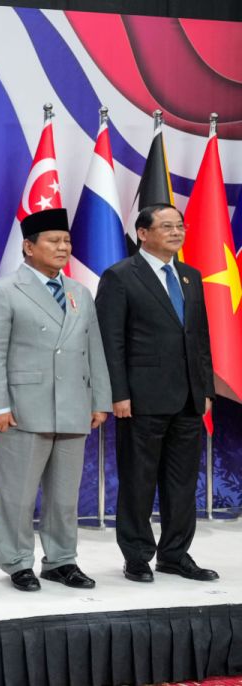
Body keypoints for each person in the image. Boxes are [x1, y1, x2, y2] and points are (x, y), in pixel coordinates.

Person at [0, 207, 110, 592]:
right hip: (22, 409)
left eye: (66, 240)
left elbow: (94, 349)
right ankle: (18, 562)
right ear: (29, 247)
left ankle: (61, 560)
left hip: (73, 405)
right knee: (17, 496)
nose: (63, 247)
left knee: (65, 497)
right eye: (53, 241)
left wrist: (100, 399)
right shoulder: (4, 290)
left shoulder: (79, 292)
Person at [96, 204, 218, 583]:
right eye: (167, 226)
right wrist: (118, 393)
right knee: (138, 480)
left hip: (188, 398)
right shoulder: (120, 276)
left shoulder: (190, 276)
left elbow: (199, 337)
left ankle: (175, 555)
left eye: (180, 226)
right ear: (143, 233)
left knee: (182, 482)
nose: (176, 232)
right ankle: (136, 556)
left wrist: (205, 388)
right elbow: (110, 341)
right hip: (141, 398)